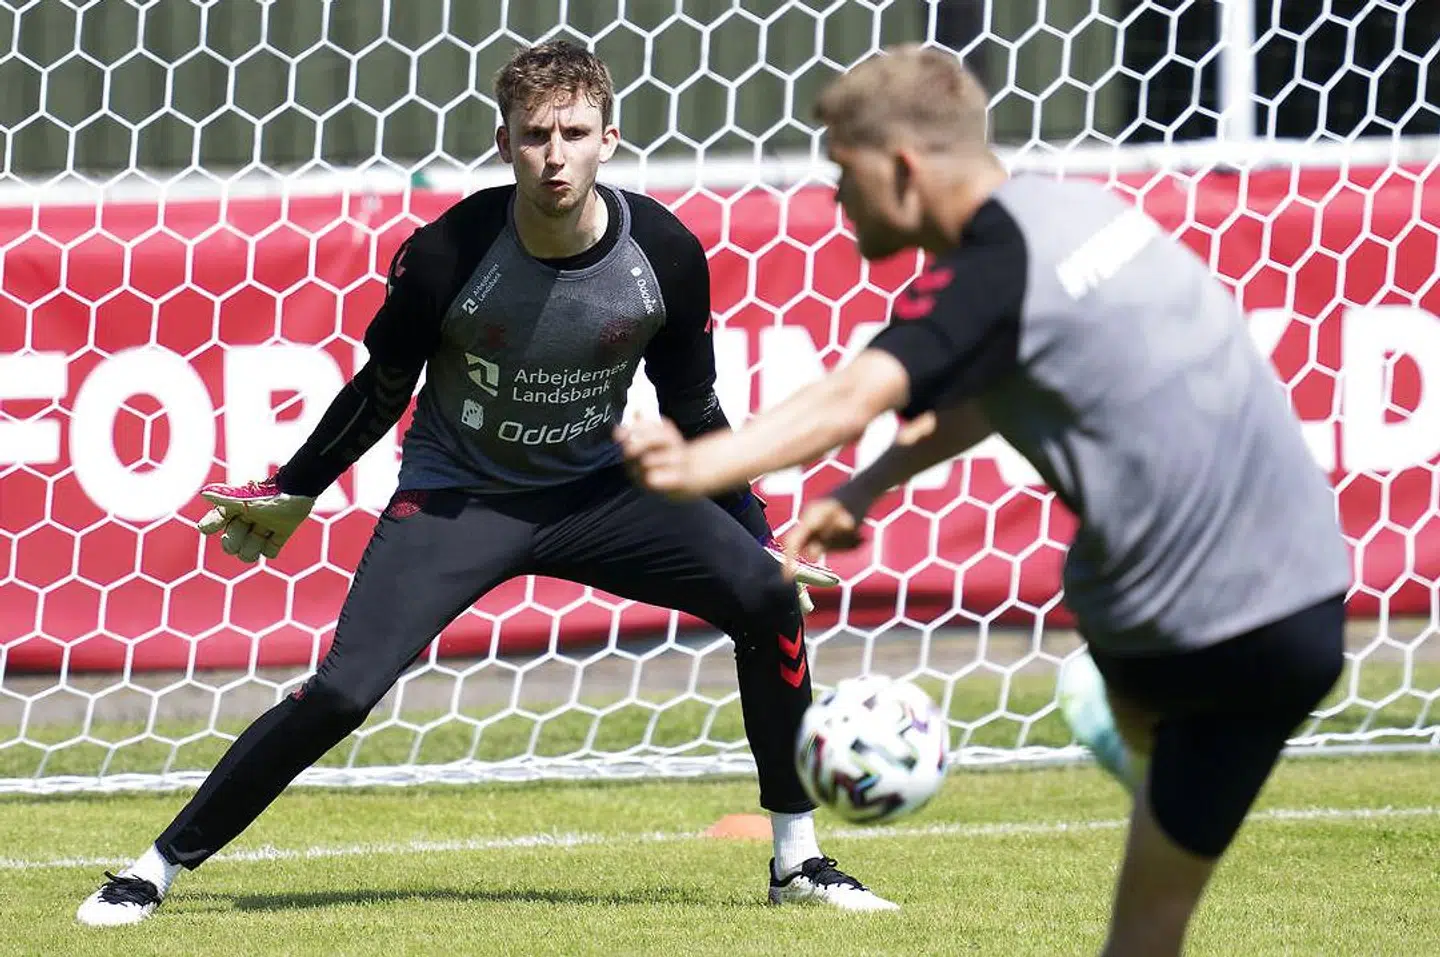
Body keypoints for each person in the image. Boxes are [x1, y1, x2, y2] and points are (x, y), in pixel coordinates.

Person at [76, 40, 896, 927]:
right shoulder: (447, 254)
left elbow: (695, 408)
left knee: (769, 595)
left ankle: (797, 860)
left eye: (574, 131)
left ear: (609, 138)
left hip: (599, 494)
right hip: (459, 499)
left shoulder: (663, 252)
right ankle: (153, 866)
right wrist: (298, 487)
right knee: (345, 692)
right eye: (535, 133)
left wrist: (757, 532)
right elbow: (381, 388)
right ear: (503, 143)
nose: (555, 154)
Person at [619, 44, 1350, 957]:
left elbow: (854, 394)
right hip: (1314, 601)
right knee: (1152, 913)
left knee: (1096, 620)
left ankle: (1129, 728)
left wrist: (697, 468)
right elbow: (983, 389)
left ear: (903, 168)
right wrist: (872, 483)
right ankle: (1147, 744)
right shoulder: (1074, 209)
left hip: (1193, 636)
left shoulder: (988, 274)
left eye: (842, 174)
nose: (835, 201)